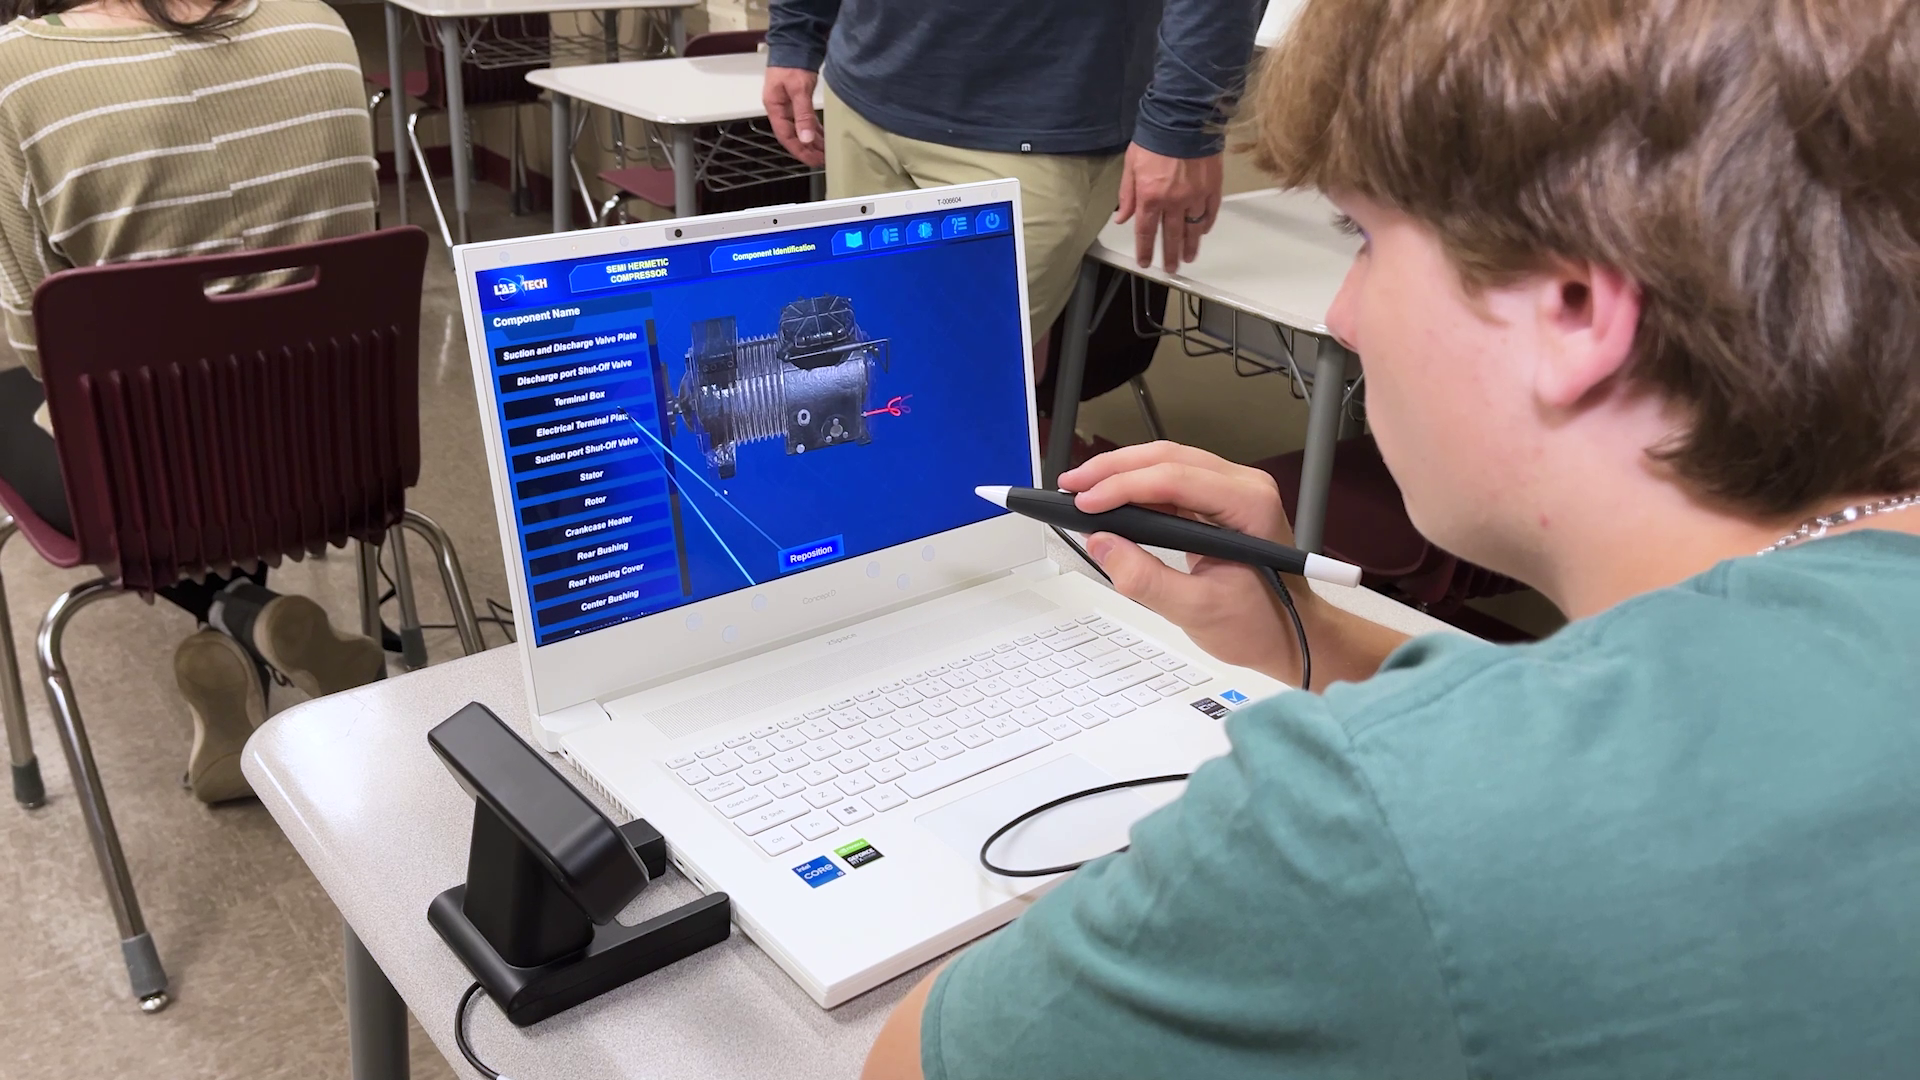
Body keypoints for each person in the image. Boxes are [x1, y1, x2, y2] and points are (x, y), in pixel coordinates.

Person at [861, 0, 1920, 1076]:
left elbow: (910, 1063)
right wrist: (1305, 635)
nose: (1343, 314)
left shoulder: (1393, 824)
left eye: (1363, 239)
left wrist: (1197, 891)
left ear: (1571, 307)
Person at [0, 0, 386, 802]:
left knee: (81, 409)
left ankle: (239, 614)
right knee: (221, 394)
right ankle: (247, 616)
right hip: (343, 449)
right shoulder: (319, 25)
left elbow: (45, 352)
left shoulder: (16, 76)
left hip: (158, 486)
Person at [762, 0, 1258, 341]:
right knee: (848, 352)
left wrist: (1184, 121)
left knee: (946, 385)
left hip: (1037, 120)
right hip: (863, 91)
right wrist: (795, 30)